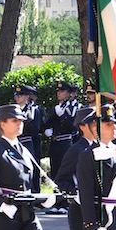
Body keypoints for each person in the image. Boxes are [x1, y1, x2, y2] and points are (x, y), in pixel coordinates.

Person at [42, 81, 80, 215]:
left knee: (66, 173)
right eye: (58, 91)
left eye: (62, 91)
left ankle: (66, 202)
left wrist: (63, 116)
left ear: (69, 94)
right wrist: (48, 130)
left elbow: (74, 128)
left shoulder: (74, 108)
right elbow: (46, 124)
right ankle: (58, 201)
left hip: (66, 143)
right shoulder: (56, 108)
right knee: (56, 172)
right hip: (56, 143)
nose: (59, 93)